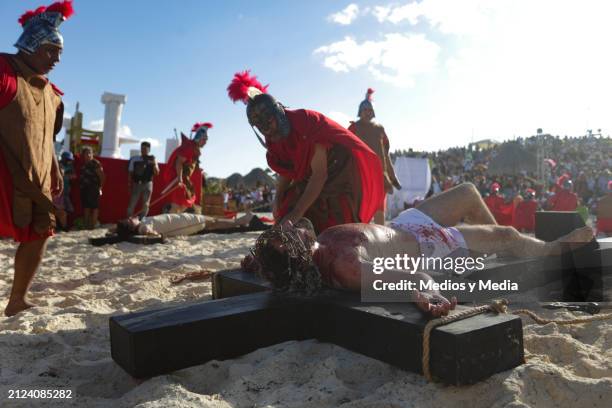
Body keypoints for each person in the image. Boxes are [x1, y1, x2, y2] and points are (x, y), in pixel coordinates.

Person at [244, 183, 594, 317]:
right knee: (503, 233)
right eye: (285, 236)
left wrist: (257, 262)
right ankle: (548, 249)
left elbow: (271, 263)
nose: (288, 226)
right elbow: (409, 276)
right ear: (299, 256)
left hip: (403, 224)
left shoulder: (313, 247)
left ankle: (492, 249)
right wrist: (423, 292)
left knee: (469, 192)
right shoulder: (345, 267)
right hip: (429, 245)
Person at [227, 71, 385, 233]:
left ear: (277, 112)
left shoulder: (307, 123)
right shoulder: (273, 138)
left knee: (332, 228)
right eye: (260, 124)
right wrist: (277, 200)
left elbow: (319, 174)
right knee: (286, 208)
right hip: (312, 177)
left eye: (268, 119)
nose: (266, 128)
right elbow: (288, 170)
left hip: (338, 172)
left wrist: (296, 214)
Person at [0, 1, 74, 316]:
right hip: (4, 167)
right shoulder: (3, 72)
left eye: (58, 52)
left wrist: (56, 167)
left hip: (37, 175)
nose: (57, 57)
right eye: (50, 50)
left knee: (41, 231)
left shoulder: (53, 93)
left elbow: (49, 136)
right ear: (31, 43)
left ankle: (17, 300)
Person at [348, 88, 402, 224]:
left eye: (369, 110)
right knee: (360, 208)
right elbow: (345, 149)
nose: (367, 112)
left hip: (379, 174)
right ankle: (359, 237)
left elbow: (385, 153)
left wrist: (392, 175)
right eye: (365, 110)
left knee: (379, 208)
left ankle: (382, 240)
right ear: (360, 111)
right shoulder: (354, 128)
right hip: (360, 173)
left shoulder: (379, 129)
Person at [161, 122, 211, 213]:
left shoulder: (195, 149)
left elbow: (190, 166)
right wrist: (179, 179)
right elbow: (179, 162)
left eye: (206, 140)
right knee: (176, 205)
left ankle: (175, 221)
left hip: (184, 179)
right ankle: (170, 223)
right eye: (204, 139)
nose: (205, 142)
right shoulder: (189, 147)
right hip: (177, 178)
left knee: (187, 202)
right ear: (199, 138)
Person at [127, 141, 159, 219]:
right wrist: (129, 183)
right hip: (137, 183)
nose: (143, 150)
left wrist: (154, 163)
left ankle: (142, 220)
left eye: (145, 148)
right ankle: (129, 219)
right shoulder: (135, 159)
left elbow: (157, 172)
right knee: (132, 203)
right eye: (142, 148)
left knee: (146, 204)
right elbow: (130, 172)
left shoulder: (153, 159)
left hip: (148, 183)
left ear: (149, 150)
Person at [79, 146, 105, 229]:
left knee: (94, 207)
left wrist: (100, 188)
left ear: (92, 154)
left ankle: (93, 225)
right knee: (86, 206)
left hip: (93, 188)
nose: (87, 155)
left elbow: (102, 176)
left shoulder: (95, 163)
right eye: (86, 154)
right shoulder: (84, 164)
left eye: (89, 153)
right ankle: (86, 225)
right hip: (85, 188)